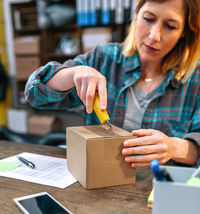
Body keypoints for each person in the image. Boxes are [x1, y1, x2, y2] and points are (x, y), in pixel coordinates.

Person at [25, 0, 200, 168]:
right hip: (98, 183)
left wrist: (174, 147)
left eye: (170, 26)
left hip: (160, 191)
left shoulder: (195, 79)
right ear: (136, 13)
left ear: (184, 31)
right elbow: (34, 95)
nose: (154, 36)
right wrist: (71, 74)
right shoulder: (104, 59)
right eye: (148, 19)